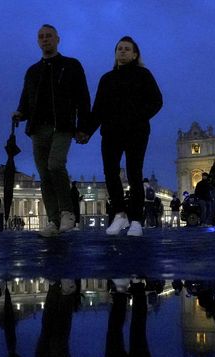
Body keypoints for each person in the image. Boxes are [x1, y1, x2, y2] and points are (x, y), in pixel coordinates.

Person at [13, 24, 91, 237]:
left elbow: (83, 98)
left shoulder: (72, 65)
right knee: (44, 174)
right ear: (38, 42)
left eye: (49, 36)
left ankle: (67, 212)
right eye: (41, 37)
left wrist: (84, 127)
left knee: (55, 164)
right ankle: (53, 221)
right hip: (38, 128)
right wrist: (20, 113)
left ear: (58, 39)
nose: (45, 40)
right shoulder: (32, 71)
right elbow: (26, 99)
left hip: (63, 125)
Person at [84, 36, 163, 237]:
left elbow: (157, 101)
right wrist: (86, 131)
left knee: (134, 172)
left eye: (127, 49)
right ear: (115, 53)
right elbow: (98, 109)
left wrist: (138, 117)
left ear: (135, 54)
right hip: (111, 131)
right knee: (110, 173)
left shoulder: (143, 75)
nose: (123, 51)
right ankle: (119, 214)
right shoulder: (106, 78)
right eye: (119, 48)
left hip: (136, 130)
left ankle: (136, 219)